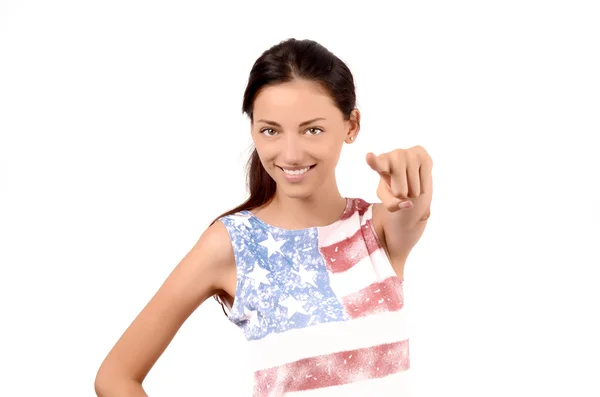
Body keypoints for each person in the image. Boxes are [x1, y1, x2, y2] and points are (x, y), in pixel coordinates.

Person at [94, 38, 433, 397]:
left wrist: (415, 170)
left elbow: (415, 207)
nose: (290, 153)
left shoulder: (378, 229)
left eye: (312, 129)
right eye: (271, 130)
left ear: (351, 125)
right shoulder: (232, 243)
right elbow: (116, 376)